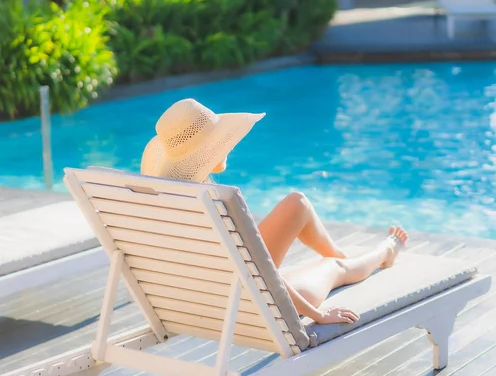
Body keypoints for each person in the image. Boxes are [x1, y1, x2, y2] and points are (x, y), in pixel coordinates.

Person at [140, 99, 409, 325]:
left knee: (296, 203)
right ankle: (384, 252)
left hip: (211, 302)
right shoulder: (215, 205)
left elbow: (244, 265)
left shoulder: (173, 201)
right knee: (332, 267)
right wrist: (319, 315)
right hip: (253, 310)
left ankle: (343, 256)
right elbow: (261, 272)